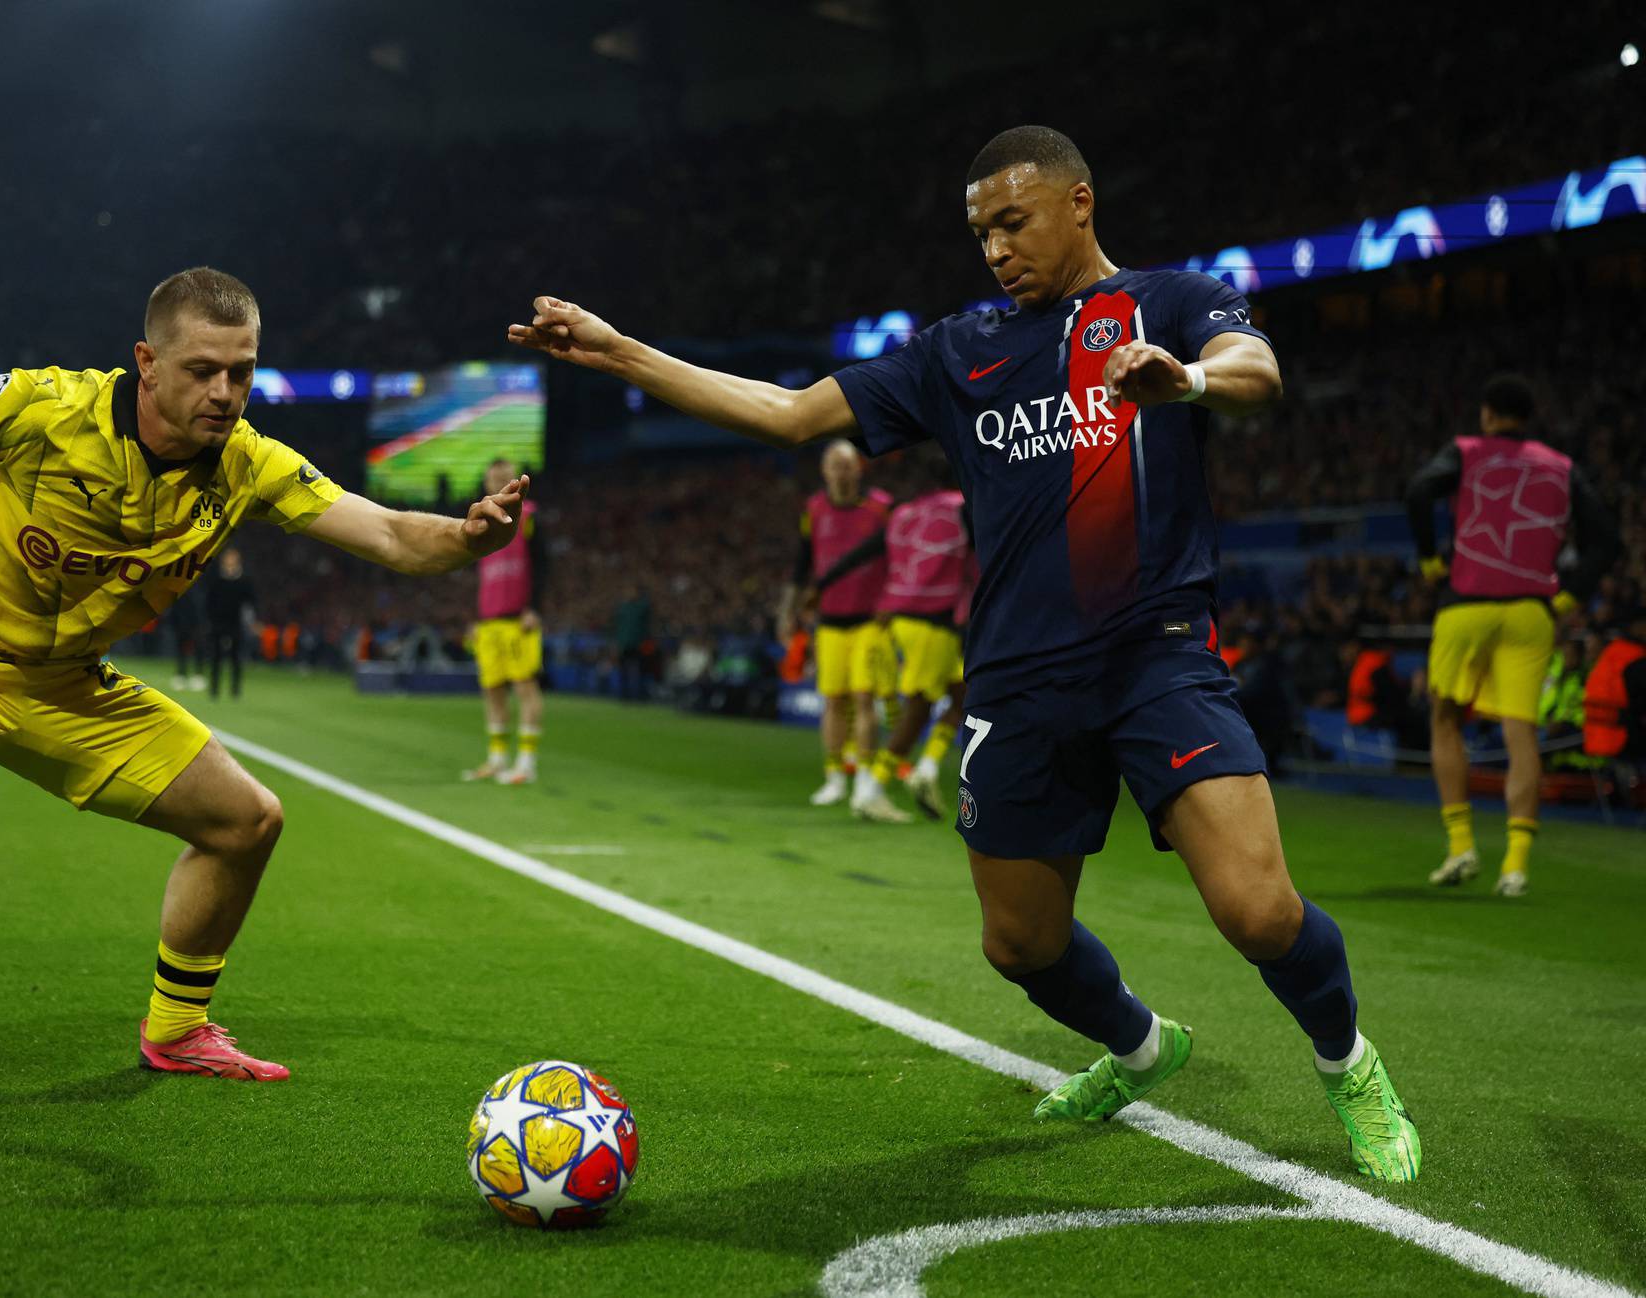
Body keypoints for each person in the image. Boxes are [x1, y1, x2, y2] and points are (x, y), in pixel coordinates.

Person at [509, 125, 1420, 1180]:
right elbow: (789, 413)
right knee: (1020, 944)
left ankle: (1348, 1061)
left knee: (1259, 908)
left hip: (1153, 655)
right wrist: (616, 350)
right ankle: (1139, 1046)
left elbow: (1252, 364)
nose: (995, 248)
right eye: (981, 230)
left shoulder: (1168, 302)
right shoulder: (960, 349)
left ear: (1080, 203)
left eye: (1013, 222)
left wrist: (1191, 384)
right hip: (1018, 677)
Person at [0, 266, 530, 1091]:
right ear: (146, 362)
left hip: (71, 684)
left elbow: (393, 535)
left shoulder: (247, 465)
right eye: (202, 370)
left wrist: (467, 536)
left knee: (248, 821)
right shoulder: (45, 406)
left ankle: (178, 1027)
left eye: (242, 372)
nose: (226, 393)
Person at [1404, 373, 1619, 897]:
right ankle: (1516, 866)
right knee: (1520, 730)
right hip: (1531, 611)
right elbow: (1605, 540)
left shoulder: (1467, 450)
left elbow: (1418, 491)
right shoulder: (1561, 466)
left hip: (1467, 603)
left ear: (1487, 414)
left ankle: (1461, 849)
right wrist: (1568, 595)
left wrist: (1431, 557)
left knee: (1446, 717)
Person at [813, 452, 972, 822]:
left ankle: (927, 769)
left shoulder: (905, 512)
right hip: (935, 619)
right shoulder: (963, 508)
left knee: (965, 694)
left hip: (899, 615)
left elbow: (862, 553)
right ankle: (873, 788)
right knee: (918, 705)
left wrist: (819, 584)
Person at [786, 440, 895, 811]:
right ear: (824, 470)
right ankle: (834, 776)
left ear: (859, 468)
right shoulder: (813, 510)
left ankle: (864, 776)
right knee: (833, 699)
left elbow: (899, 555)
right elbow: (802, 564)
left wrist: (893, 601)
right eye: (835, 464)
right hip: (830, 620)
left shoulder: (882, 507)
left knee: (865, 697)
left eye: (847, 464)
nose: (842, 471)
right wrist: (788, 609)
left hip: (871, 620)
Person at [462, 457, 544, 785]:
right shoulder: (481, 520)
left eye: (505, 475)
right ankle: (497, 760)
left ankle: (526, 763)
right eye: (493, 475)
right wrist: (475, 618)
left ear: (516, 479)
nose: (499, 479)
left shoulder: (530, 515)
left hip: (517, 617)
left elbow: (543, 561)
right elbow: (475, 573)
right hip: (488, 620)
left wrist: (534, 607)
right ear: (485, 482)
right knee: (492, 690)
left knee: (525, 687)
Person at [1583, 608, 1646, 762]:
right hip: (1625, 744)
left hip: (1597, 744)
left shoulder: (1611, 654)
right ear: (1637, 627)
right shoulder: (1635, 659)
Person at [204, 546, 256, 699]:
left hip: (235, 623)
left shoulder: (244, 580)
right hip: (218, 623)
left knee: (236, 658)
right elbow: (209, 600)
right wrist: (209, 619)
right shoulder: (216, 578)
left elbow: (251, 601)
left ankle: (235, 689)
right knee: (216, 657)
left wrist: (253, 620)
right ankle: (214, 689)